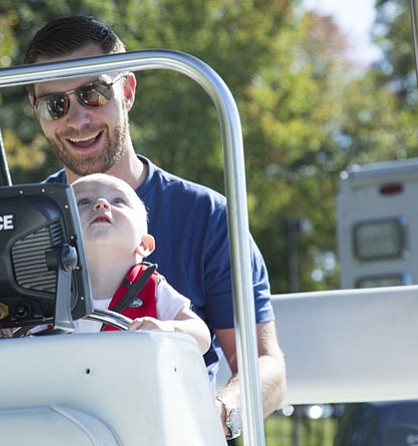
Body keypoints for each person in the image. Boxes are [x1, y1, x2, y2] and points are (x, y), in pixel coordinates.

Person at [23, 15, 286, 440]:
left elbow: (264, 364)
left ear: (126, 91)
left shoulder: (207, 215)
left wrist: (215, 414)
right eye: (56, 104)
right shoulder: (21, 222)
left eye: (92, 94)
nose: (77, 119)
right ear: (37, 111)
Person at [70, 173, 211, 354]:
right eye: (83, 202)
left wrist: (167, 330)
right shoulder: (49, 294)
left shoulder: (152, 287)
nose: (101, 204)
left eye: (118, 201)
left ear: (144, 245)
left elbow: (201, 336)